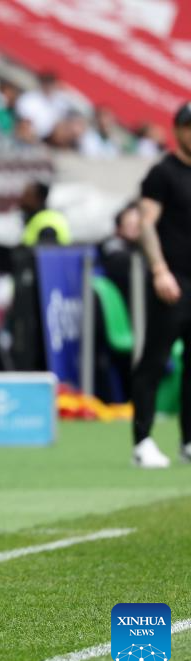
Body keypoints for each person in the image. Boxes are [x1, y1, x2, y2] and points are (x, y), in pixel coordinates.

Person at [129, 102, 191, 468]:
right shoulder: (162, 173)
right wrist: (159, 269)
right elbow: (147, 223)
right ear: (178, 130)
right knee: (155, 358)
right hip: (172, 279)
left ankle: (189, 440)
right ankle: (142, 441)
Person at [19, 181, 71, 247]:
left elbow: (48, 250)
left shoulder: (46, 222)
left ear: (38, 198)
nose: (22, 197)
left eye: (27, 195)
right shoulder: (28, 217)